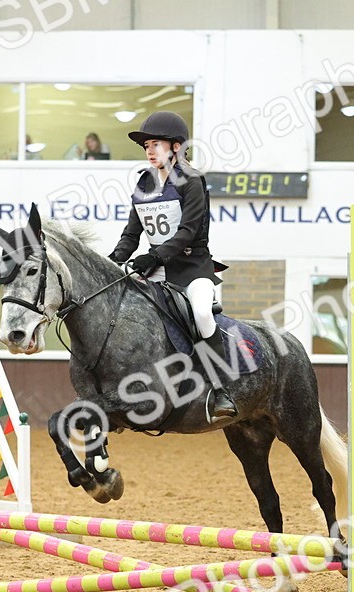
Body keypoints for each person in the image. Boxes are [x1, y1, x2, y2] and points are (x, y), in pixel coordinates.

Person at [107, 111, 236, 422]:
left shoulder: (191, 180)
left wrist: (155, 256)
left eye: (156, 144)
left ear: (176, 146)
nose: (149, 151)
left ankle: (221, 389)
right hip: (155, 271)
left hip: (192, 269)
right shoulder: (145, 182)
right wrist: (113, 260)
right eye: (146, 146)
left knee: (202, 313)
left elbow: (188, 231)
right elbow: (132, 234)